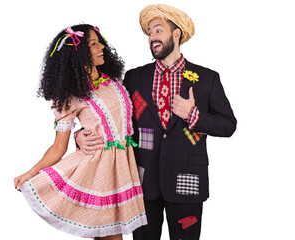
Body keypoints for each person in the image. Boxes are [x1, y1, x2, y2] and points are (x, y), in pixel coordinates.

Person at [76, 4, 237, 240]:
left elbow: (228, 125)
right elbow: (113, 116)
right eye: (149, 33)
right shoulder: (134, 77)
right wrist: (80, 134)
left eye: (158, 30)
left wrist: (193, 114)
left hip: (187, 181)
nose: (152, 37)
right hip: (142, 181)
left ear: (176, 34)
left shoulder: (207, 79)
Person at [14, 24, 147, 240]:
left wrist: (82, 135)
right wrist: (31, 173)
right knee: (112, 237)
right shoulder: (69, 96)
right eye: (93, 44)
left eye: (99, 41)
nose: (101, 46)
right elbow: (59, 146)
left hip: (123, 167)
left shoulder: (113, 82)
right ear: (78, 54)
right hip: (99, 172)